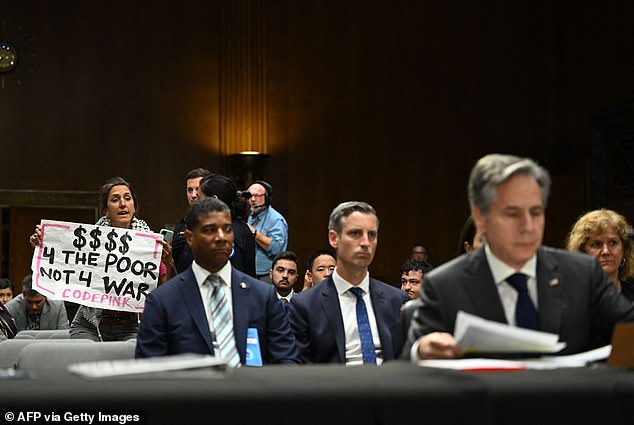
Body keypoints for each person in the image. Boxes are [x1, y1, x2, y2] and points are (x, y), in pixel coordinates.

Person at [405, 154, 634, 360]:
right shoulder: (444, 285)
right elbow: (407, 366)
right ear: (481, 217)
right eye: (512, 214)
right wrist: (421, 351)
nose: (528, 227)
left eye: (536, 212)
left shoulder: (582, 274)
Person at [135, 197, 299, 365]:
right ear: (190, 238)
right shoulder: (163, 301)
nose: (221, 237)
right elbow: (149, 372)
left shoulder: (263, 296)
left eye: (227, 229)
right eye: (210, 230)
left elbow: (286, 359)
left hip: (253, 388)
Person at [30, 176, 175, 341]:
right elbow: (62, 261)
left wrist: (168, 262)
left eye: (127, 198)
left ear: (134, 207)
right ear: (106, 210)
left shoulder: (150, 244)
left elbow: (164, 291)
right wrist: (44, 243)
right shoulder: (89, 242)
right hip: (89, 324)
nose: (122, 204)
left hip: (133, 326)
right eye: (115, 199)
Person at [288, 201, 408, 365]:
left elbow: (405, 360)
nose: (366, 243)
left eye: (372, 235)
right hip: (335, 387)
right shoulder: (305, 305)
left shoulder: (397, 300)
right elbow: (301, 369)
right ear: (334, 238)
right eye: (355, 233)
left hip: (388, 386)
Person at [566, 209, 634, 301]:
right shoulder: (571, 300)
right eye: (597, 244)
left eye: (613, 243)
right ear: (582, 251)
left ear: (624, 249)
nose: (606, 251)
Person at [199, 174, 256, 277]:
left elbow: (235, 275)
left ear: (214, 200)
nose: (197, 204)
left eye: (200, 198)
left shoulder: (230, 233)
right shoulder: (241, 227)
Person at [247, 181, 288, 280]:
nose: (252, 199)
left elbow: (277, 248)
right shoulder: (249, 215)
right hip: (250, 272)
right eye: (249, 196)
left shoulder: (276, 219)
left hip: (266, 274)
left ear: (267, 197)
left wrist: (254, 233)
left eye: (257, 196)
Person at [172, 168, 212, 273]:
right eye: (190, 190)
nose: (193, 195)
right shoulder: (181, 225)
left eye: (198, 189)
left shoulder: (218, 225)